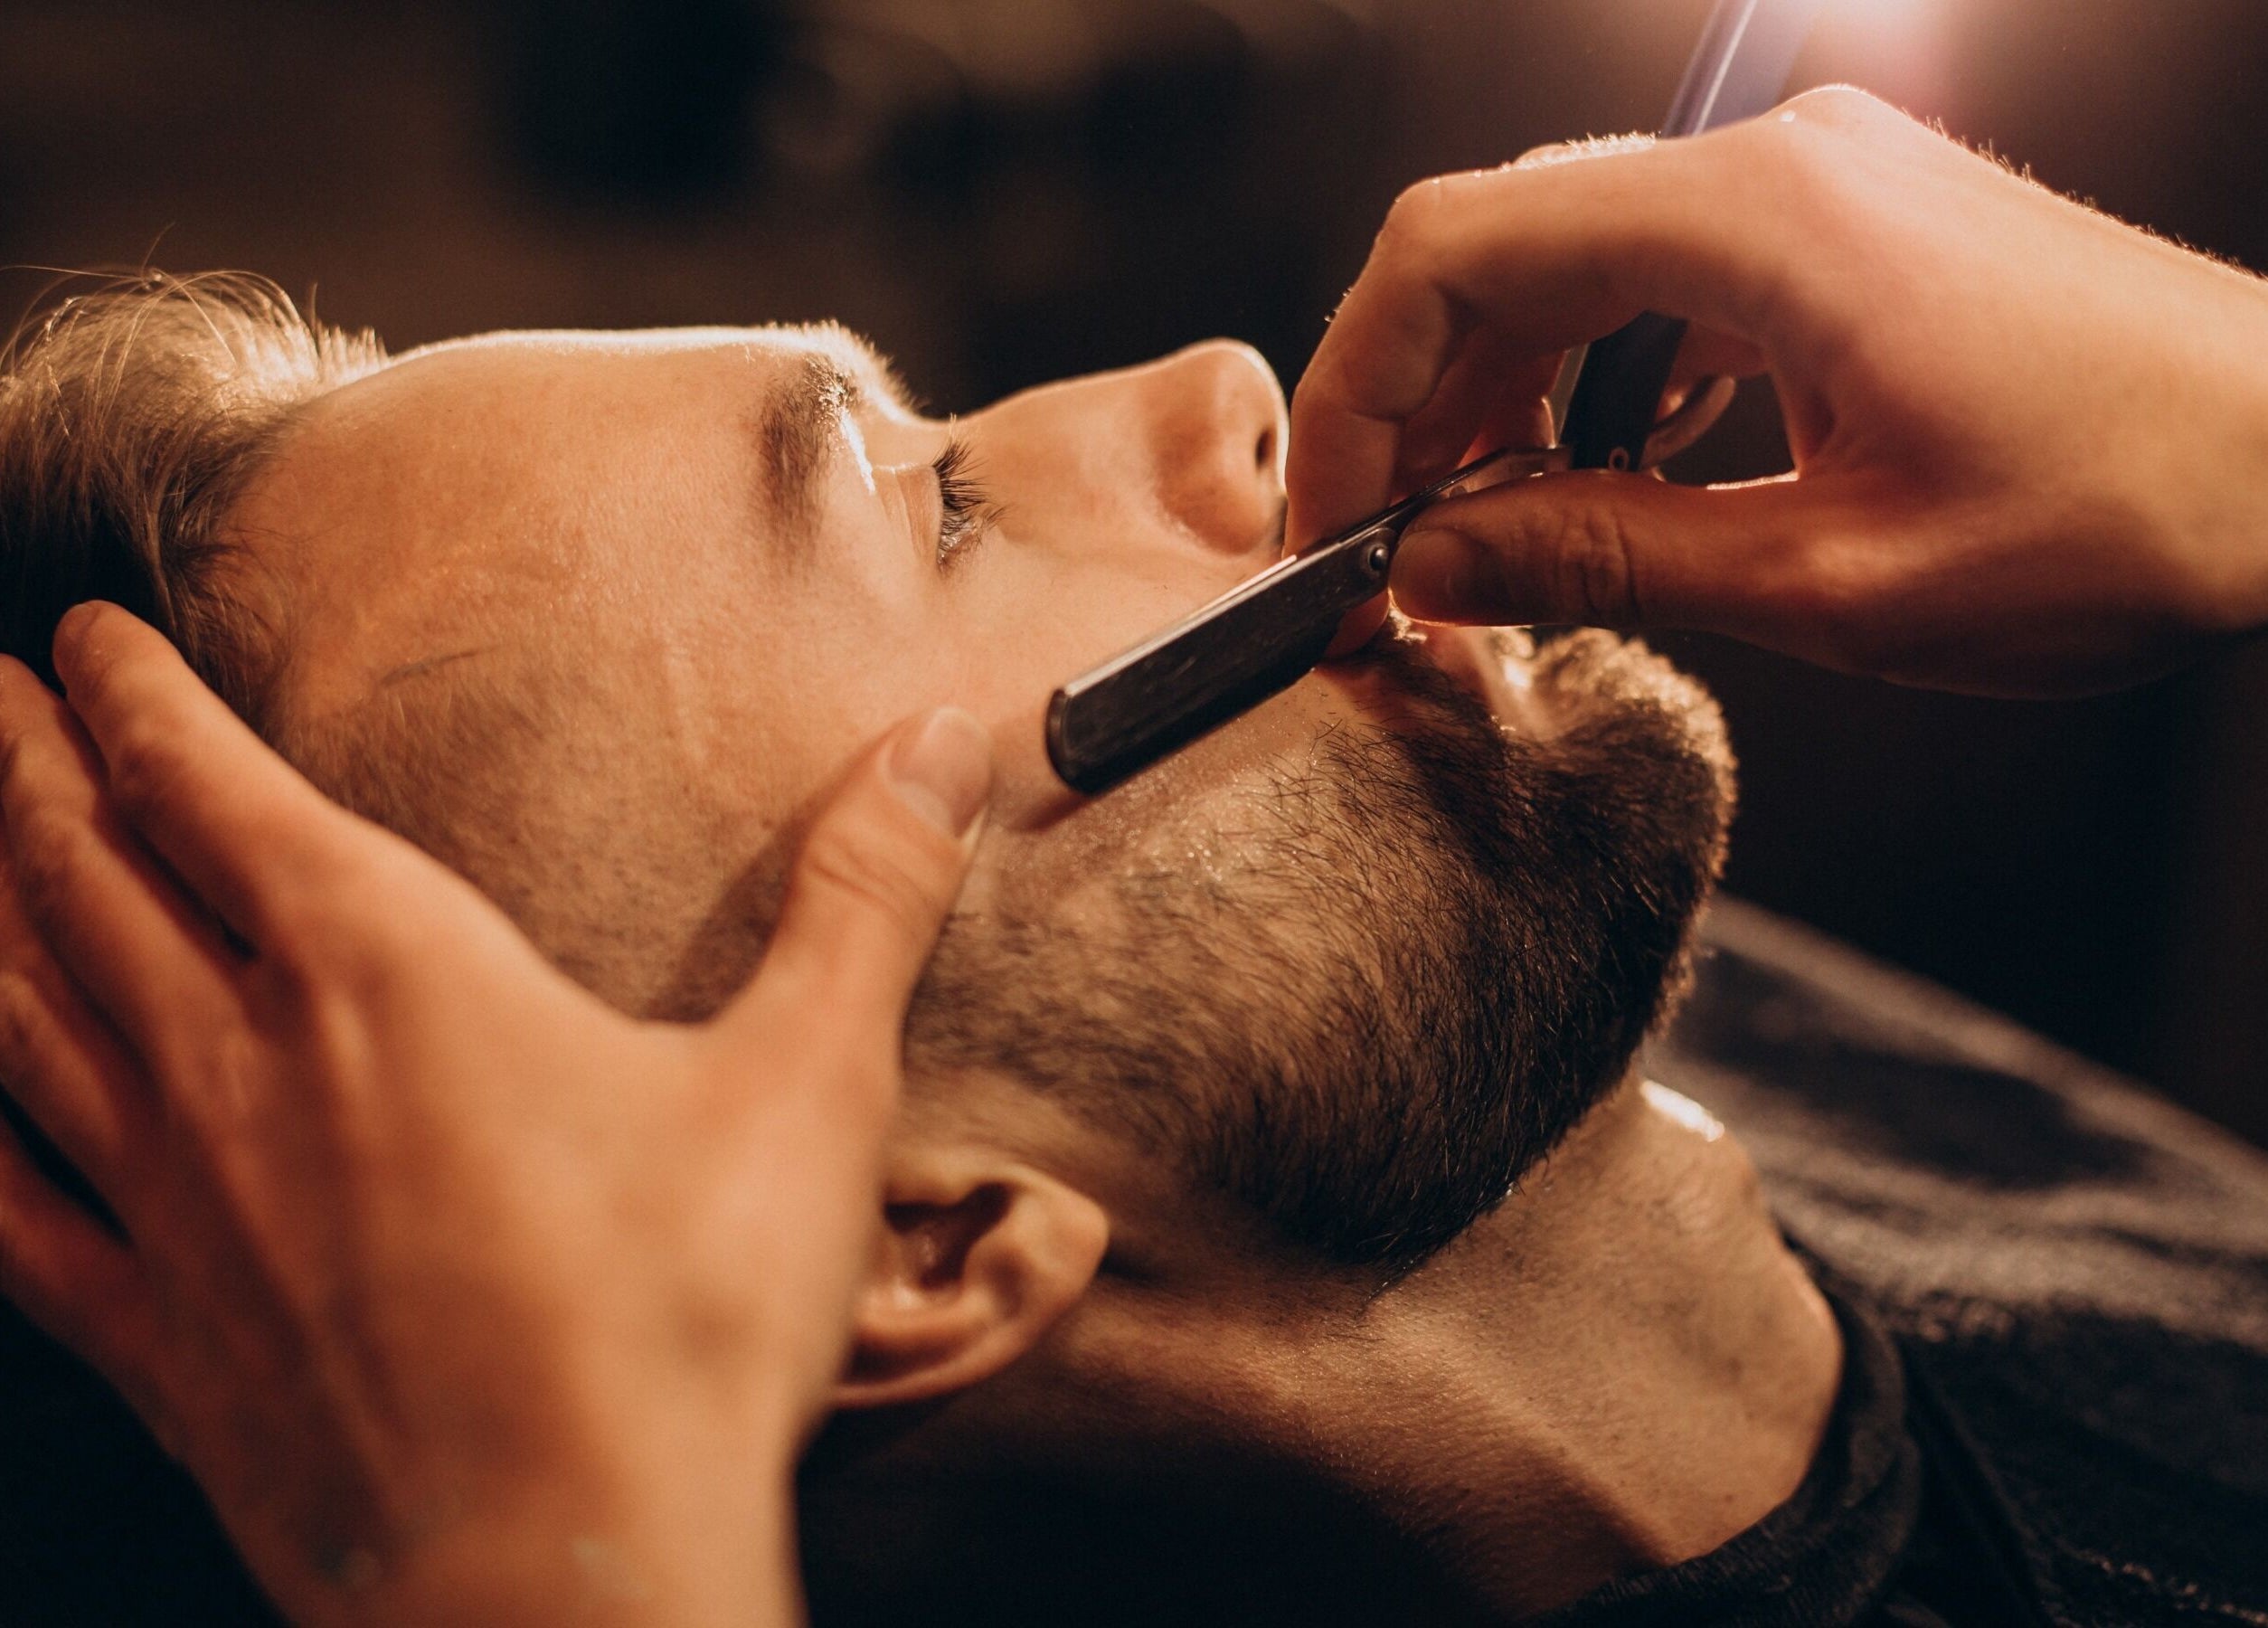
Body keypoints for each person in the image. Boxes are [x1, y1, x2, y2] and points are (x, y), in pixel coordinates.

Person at [0, 85, 2261, 1626]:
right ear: (907, 1241)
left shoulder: (1479, 951)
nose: (1216, 390)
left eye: (941, 416)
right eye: (937, 511)